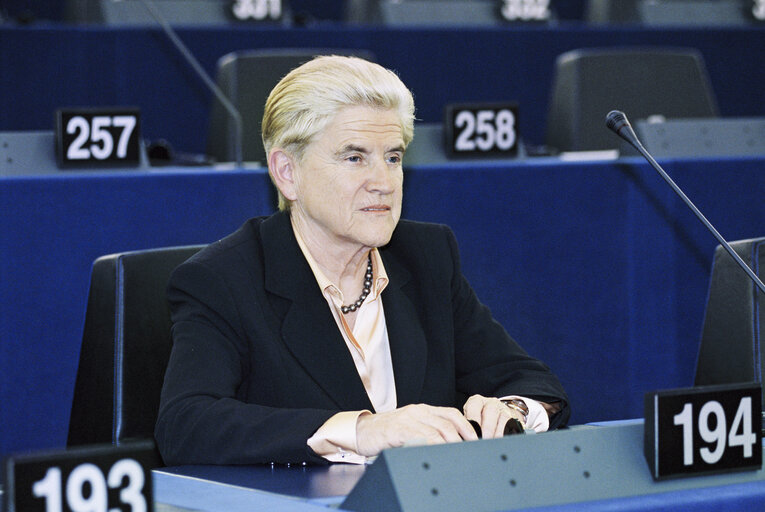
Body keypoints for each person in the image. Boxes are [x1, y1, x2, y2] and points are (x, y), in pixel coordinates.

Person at [155, 55, 569, 466]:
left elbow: (533, 382)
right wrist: (364, 430)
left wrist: (512, 409)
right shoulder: (223, 279)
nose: (384, 183)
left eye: (393, 157)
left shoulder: (427, 258)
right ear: (286, 172)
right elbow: (186, 423)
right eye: (355, 158)